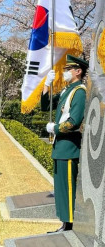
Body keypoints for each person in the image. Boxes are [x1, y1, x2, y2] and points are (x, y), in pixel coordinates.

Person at [41, 54, 88, 233]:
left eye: (68, 69)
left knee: (68, 188)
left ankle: (70, 225)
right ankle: (64, 222)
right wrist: (47, 84)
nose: (65, 72)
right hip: (60, 147)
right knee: (61, 188)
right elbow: (46, 106)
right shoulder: (67, 90)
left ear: (78, 71)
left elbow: (74, 121)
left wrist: (56, 128)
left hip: (69, 146)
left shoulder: (80, 92)